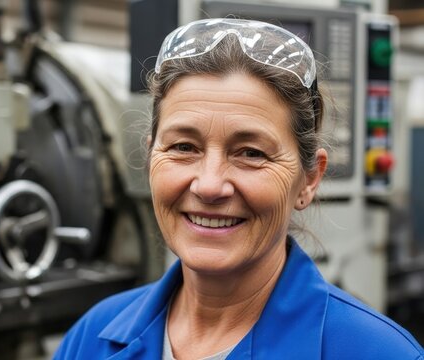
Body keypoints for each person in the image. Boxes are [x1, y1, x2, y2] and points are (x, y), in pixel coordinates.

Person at [54, 18, 424, 359]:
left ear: (309, 179)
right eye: (184, 147)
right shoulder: (92, 338)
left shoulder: (377, 352)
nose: (210, 185)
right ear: (151, 155)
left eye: (251, 152)